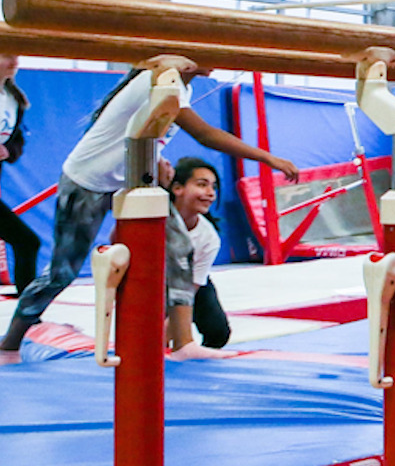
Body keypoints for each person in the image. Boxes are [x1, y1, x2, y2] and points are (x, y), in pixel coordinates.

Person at [0, 55, 299, 364]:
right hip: (87, 181)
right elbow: (205, 135)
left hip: (132, 178)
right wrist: (268, 158)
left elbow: (142, 130)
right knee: (61, 273)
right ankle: (10, 344)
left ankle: (183, 343)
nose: (219, 58)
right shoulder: (158, 78)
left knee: (181, 247)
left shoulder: (182, 87)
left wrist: (156, 160)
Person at [164, 156, 233, 360]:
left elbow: (188, 292)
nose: (210, 193)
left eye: (213, 187)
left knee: (218, 332)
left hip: (188, 282)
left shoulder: (208, 237)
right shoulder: (155, 218)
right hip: (151, 280)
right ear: (177, 188)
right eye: (202, 185)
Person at [0, 54, 40, 296]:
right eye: (7, 55)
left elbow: (17, 142)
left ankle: (29, 310)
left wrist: (9, 150)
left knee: (27, 242)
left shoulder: (14, 100)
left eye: (17, 55)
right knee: (27, 241)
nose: (14, 60)